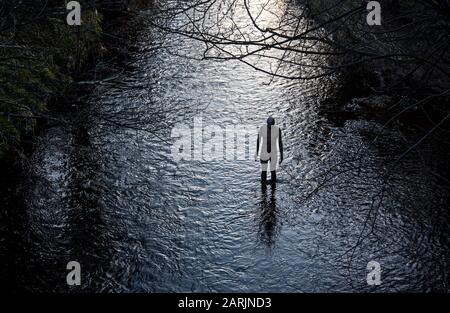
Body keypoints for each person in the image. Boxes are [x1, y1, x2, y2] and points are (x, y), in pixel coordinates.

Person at [254, 116, 283, 183]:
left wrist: (281, 156)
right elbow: (258, 141)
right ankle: (263, 188)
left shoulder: (277, 130)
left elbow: (280, 143)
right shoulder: (262, 129)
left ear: (274, 124)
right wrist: (256, 153)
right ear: (267, 123)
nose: (271, 126)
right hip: (264, 152)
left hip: (273, 152)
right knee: (264, 171)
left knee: (273, 171)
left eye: (272, 124)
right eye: (269, 124)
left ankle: (273, 188)